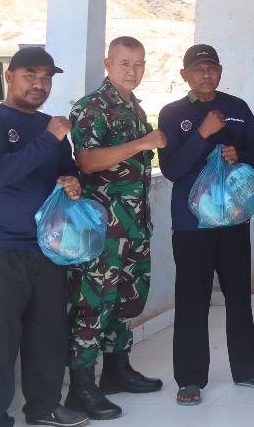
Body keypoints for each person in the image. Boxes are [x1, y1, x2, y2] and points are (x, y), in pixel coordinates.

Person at [0, 47, 88, 427]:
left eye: (46, 77)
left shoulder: (49, 126)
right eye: (30, 75)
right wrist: (49, 136)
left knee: (47, 334)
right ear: (10, 77)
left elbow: (67, 171)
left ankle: (43, 409)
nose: (39, 84)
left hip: (48, 247)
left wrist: (71, 182)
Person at [157, 45, 254, 405]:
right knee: (192, 299)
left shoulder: (237, 108)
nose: (206, 75)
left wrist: (241, 155)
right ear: (185, 75)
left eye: (211, 68)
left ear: (220, 72)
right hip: (192, 225)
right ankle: (190, 379)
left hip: (233, 220)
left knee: (239, 296)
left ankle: (248, 370)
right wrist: (203, 134)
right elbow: (172, 169)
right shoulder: (172, 113)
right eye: (198, 69)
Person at [66, 37, 165, 421]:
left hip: (133, 226)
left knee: (126, 300)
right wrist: (143, 142)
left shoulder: (133, 107)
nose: (133, 71)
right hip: (102, 230)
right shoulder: (92, 106)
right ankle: (81, 387)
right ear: (108, 63)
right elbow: (87, 161)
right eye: (125, 63)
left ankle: (116, 370)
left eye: (139, 64)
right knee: (93, 304)